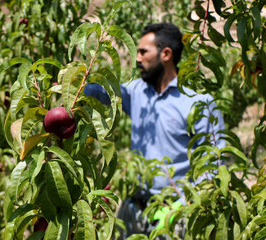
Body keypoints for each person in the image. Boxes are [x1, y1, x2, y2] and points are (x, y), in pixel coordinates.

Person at [84, 23, 225, 239]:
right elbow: (104, 93)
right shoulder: (137, 92)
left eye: (143, 51)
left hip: (175, 214)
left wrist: (181, 206)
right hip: (134, 209)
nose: (137, 58)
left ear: (166, 54)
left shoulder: (198, 104)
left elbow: (213, 166)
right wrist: (75, 83)